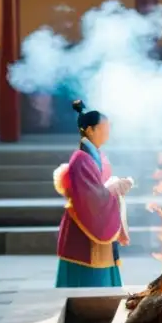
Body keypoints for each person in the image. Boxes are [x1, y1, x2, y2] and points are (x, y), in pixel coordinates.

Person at [54, 100, 134, 288]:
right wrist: (114, 188)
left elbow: (98, 188)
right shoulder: (81, 159)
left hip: (96, 218)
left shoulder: (95, 155)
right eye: (104, 128)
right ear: (90, 130)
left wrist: (113, 186)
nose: (107, 132)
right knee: (87, 283)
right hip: (85, 223)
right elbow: (91, 196)